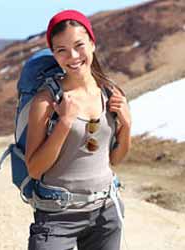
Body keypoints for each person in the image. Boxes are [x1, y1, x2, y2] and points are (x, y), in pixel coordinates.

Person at [25, 10, 132, 250]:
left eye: (79, 45)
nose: (72, 56)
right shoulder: (46, 101)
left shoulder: (111, 93)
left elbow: (115, 159)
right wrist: (64, 123)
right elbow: (34, 168)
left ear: (92, 44)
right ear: (54, 54)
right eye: (61, 50)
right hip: (57, 216)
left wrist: (126, 125)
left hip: (105, 214)